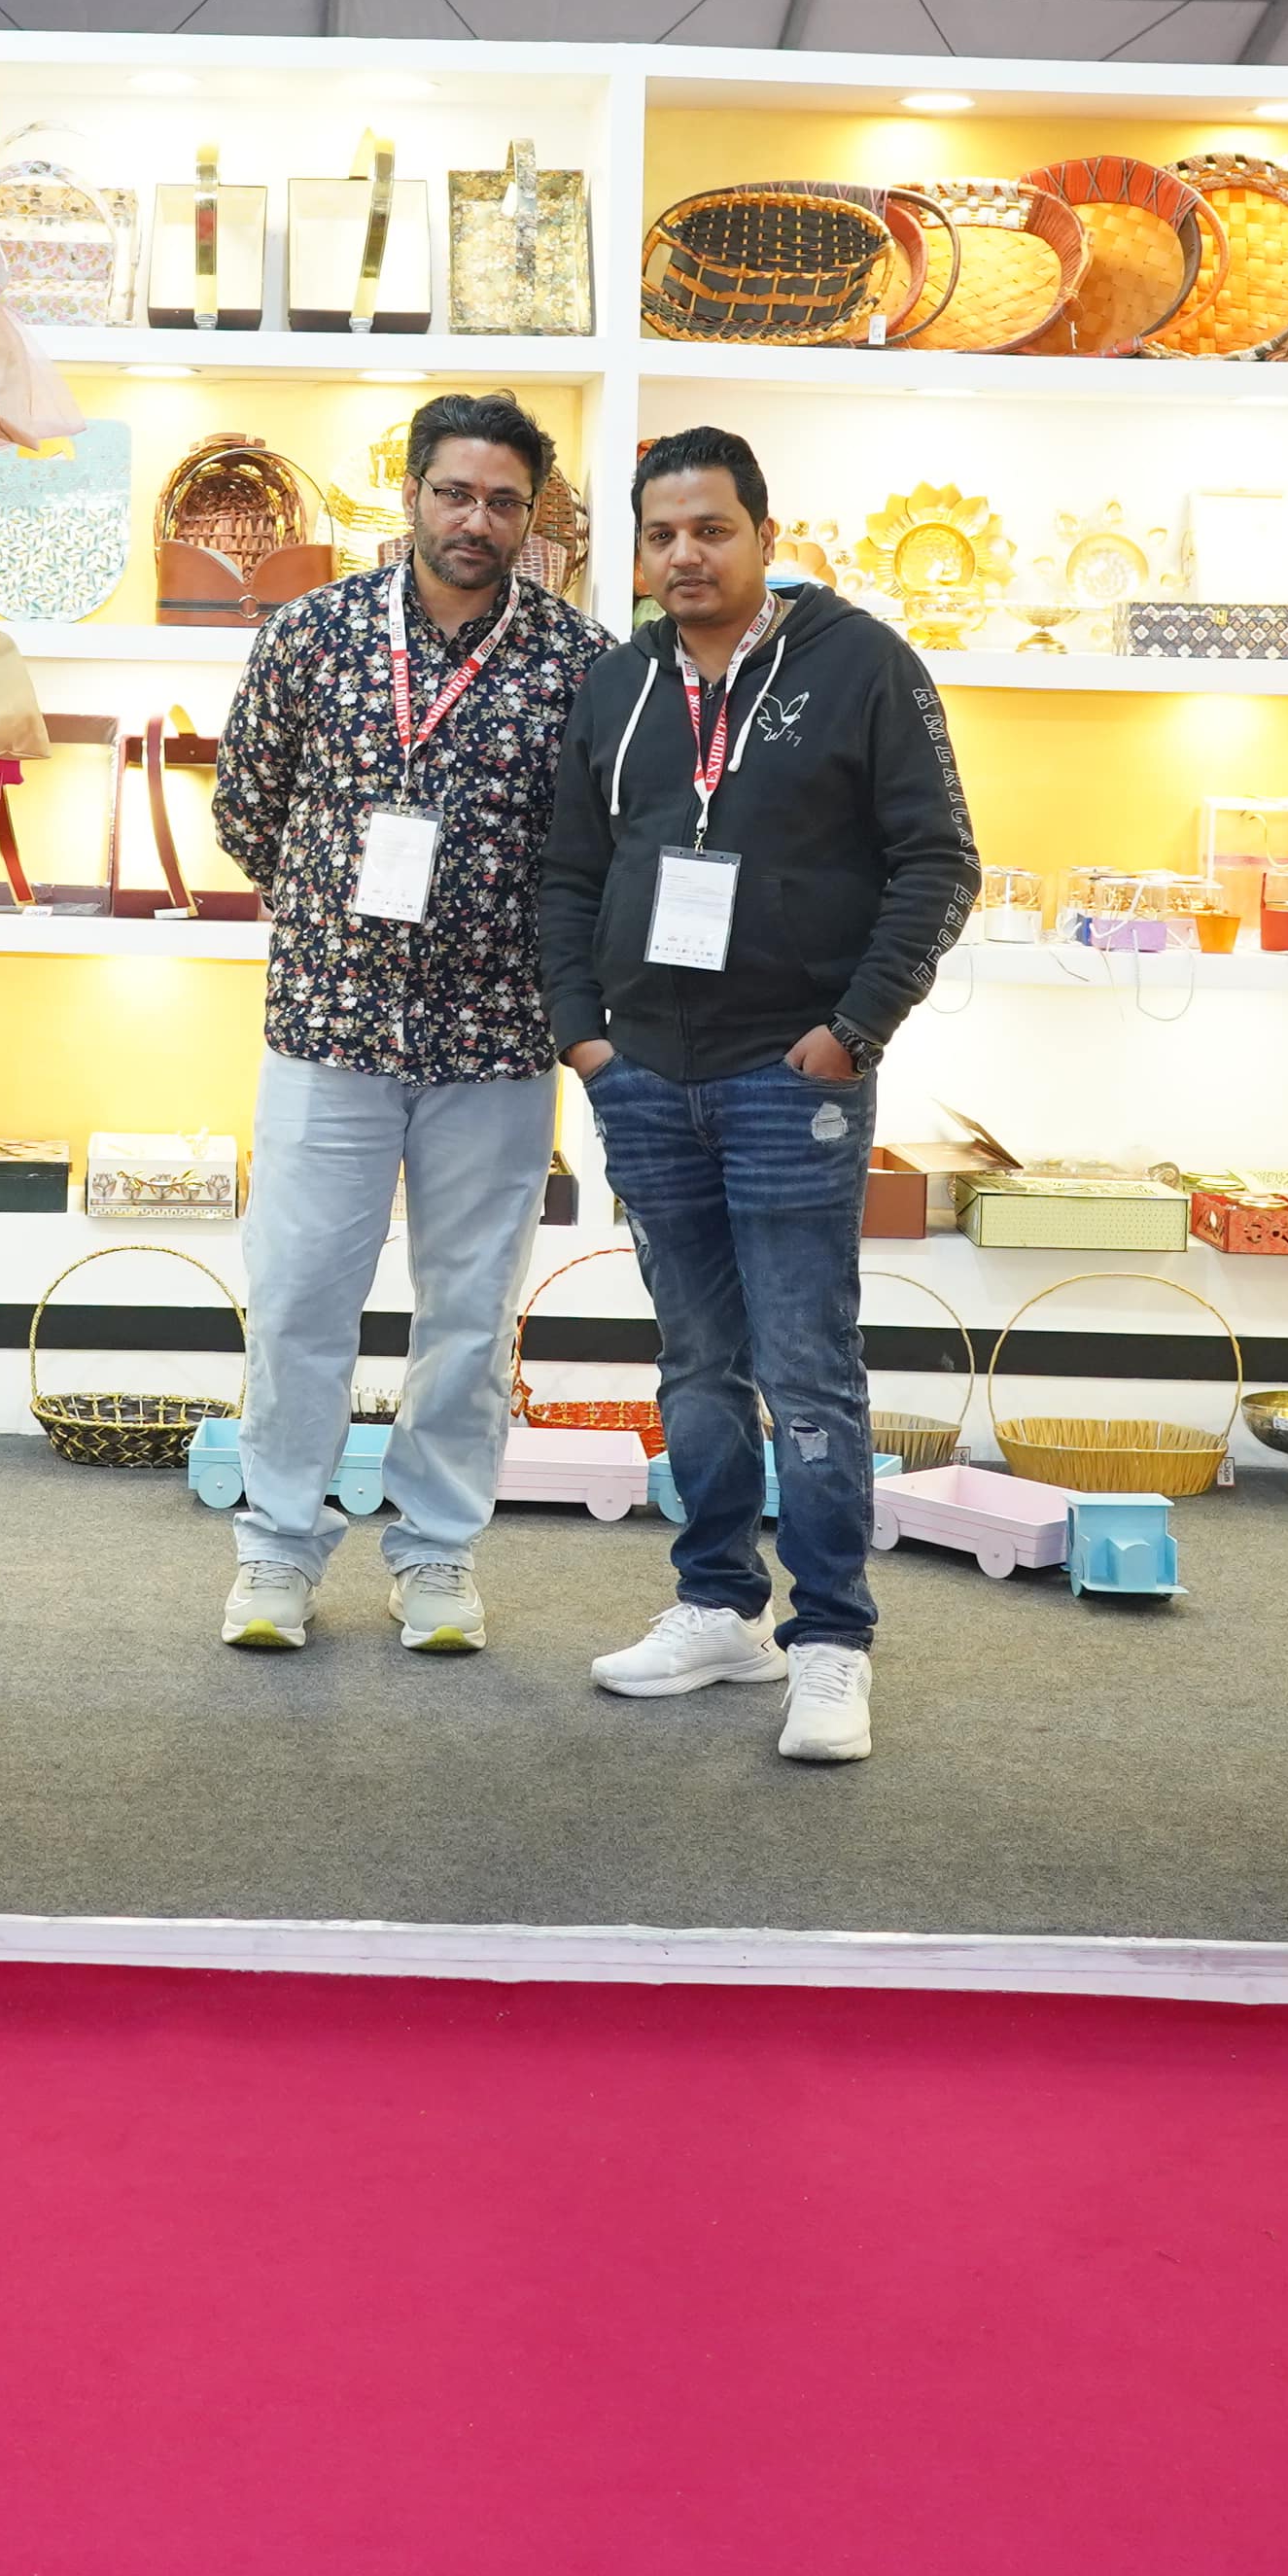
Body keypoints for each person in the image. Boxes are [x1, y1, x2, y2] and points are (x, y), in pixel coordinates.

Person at [532, 428, 977, 1765]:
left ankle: (831, 1639)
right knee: (695, 1364)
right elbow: (569, 874)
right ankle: (719, 1606)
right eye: (662, 535)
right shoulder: (617, 685)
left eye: (712, 530)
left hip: (795, 1079)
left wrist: (853, 1030)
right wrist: (585, 1039)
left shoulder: (863, 667)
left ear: (766, 538)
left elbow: (940, 863)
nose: (686, 555)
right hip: (646, 1079)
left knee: (808, 1369)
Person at [199, 393, 609, 1655]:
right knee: (298, 1300)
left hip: (496, 1042)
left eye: (503, 502)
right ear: (414, 494)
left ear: (532, 517)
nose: (475, 520)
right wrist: (338, 917)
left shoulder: (582, 664)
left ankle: (436, 1554)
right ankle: (276, 1551)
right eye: (455, 493)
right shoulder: (311, 635)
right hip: (328, 1029)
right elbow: (246, 807)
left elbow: (595, 850)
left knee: (470, 1317)